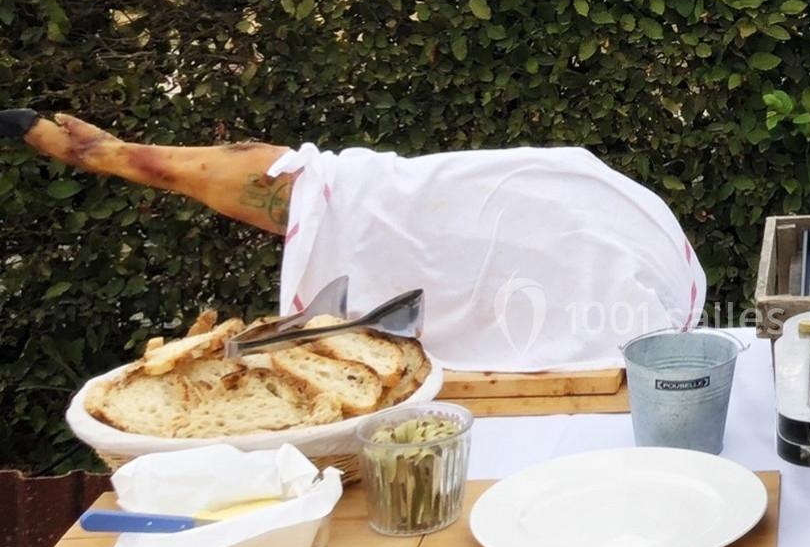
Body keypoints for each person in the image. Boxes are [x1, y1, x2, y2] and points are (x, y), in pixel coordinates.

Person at [2, 109, 706, 371]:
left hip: (627, 303)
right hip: (627, 288)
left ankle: (124, 154)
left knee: (328, 189)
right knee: (326, 188)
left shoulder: (609, 254)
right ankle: (124, 154)